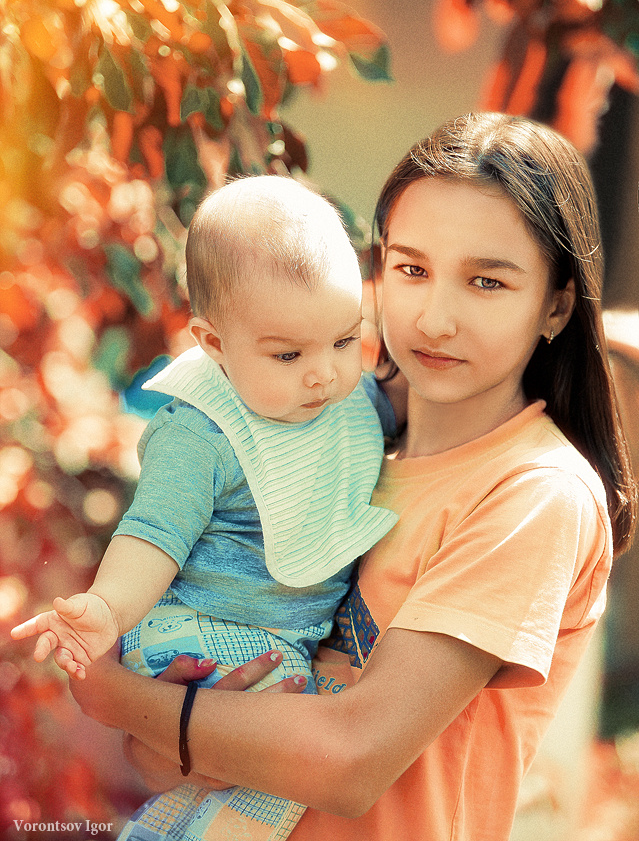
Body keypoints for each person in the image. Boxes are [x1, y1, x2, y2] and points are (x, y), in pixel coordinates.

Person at [68, 113, 636, 841]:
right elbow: (155, 761)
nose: (434, 318)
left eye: (486, 282)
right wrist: (179, 730)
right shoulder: (335, 435)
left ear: (555, 303)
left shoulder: (531, 492)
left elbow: (348, 762)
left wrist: (115, 696)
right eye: (410, 268)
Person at [11, 175, 401, 841]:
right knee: (287, 758)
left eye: (344, 341)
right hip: (194, 633)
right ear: (213, 344)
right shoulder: (202, 433)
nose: (323, 374)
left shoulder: (350, 405)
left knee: (221, 782)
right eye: (288, 353)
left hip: (267, 642)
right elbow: (153, 534)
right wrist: (106, 608)